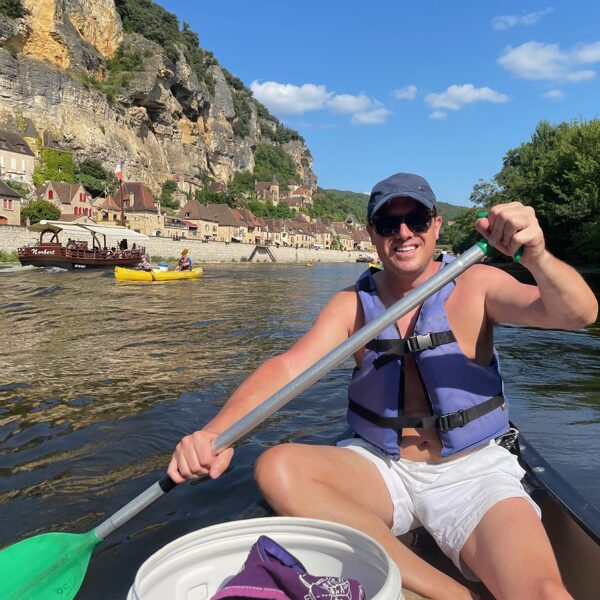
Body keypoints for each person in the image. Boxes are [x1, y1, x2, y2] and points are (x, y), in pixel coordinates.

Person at [168, 173, 597, 600]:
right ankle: (453, 595)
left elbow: (578, 313)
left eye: (416, 219)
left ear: (437, 224)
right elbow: (287, 368)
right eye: (389, 225)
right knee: (276, 468)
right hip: (382, 466)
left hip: (471, 470)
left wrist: (536, 255)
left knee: (542, 592)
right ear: (372, 233)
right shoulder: (352, 306)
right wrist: (215, 433)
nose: (404, 233)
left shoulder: (477, 285)